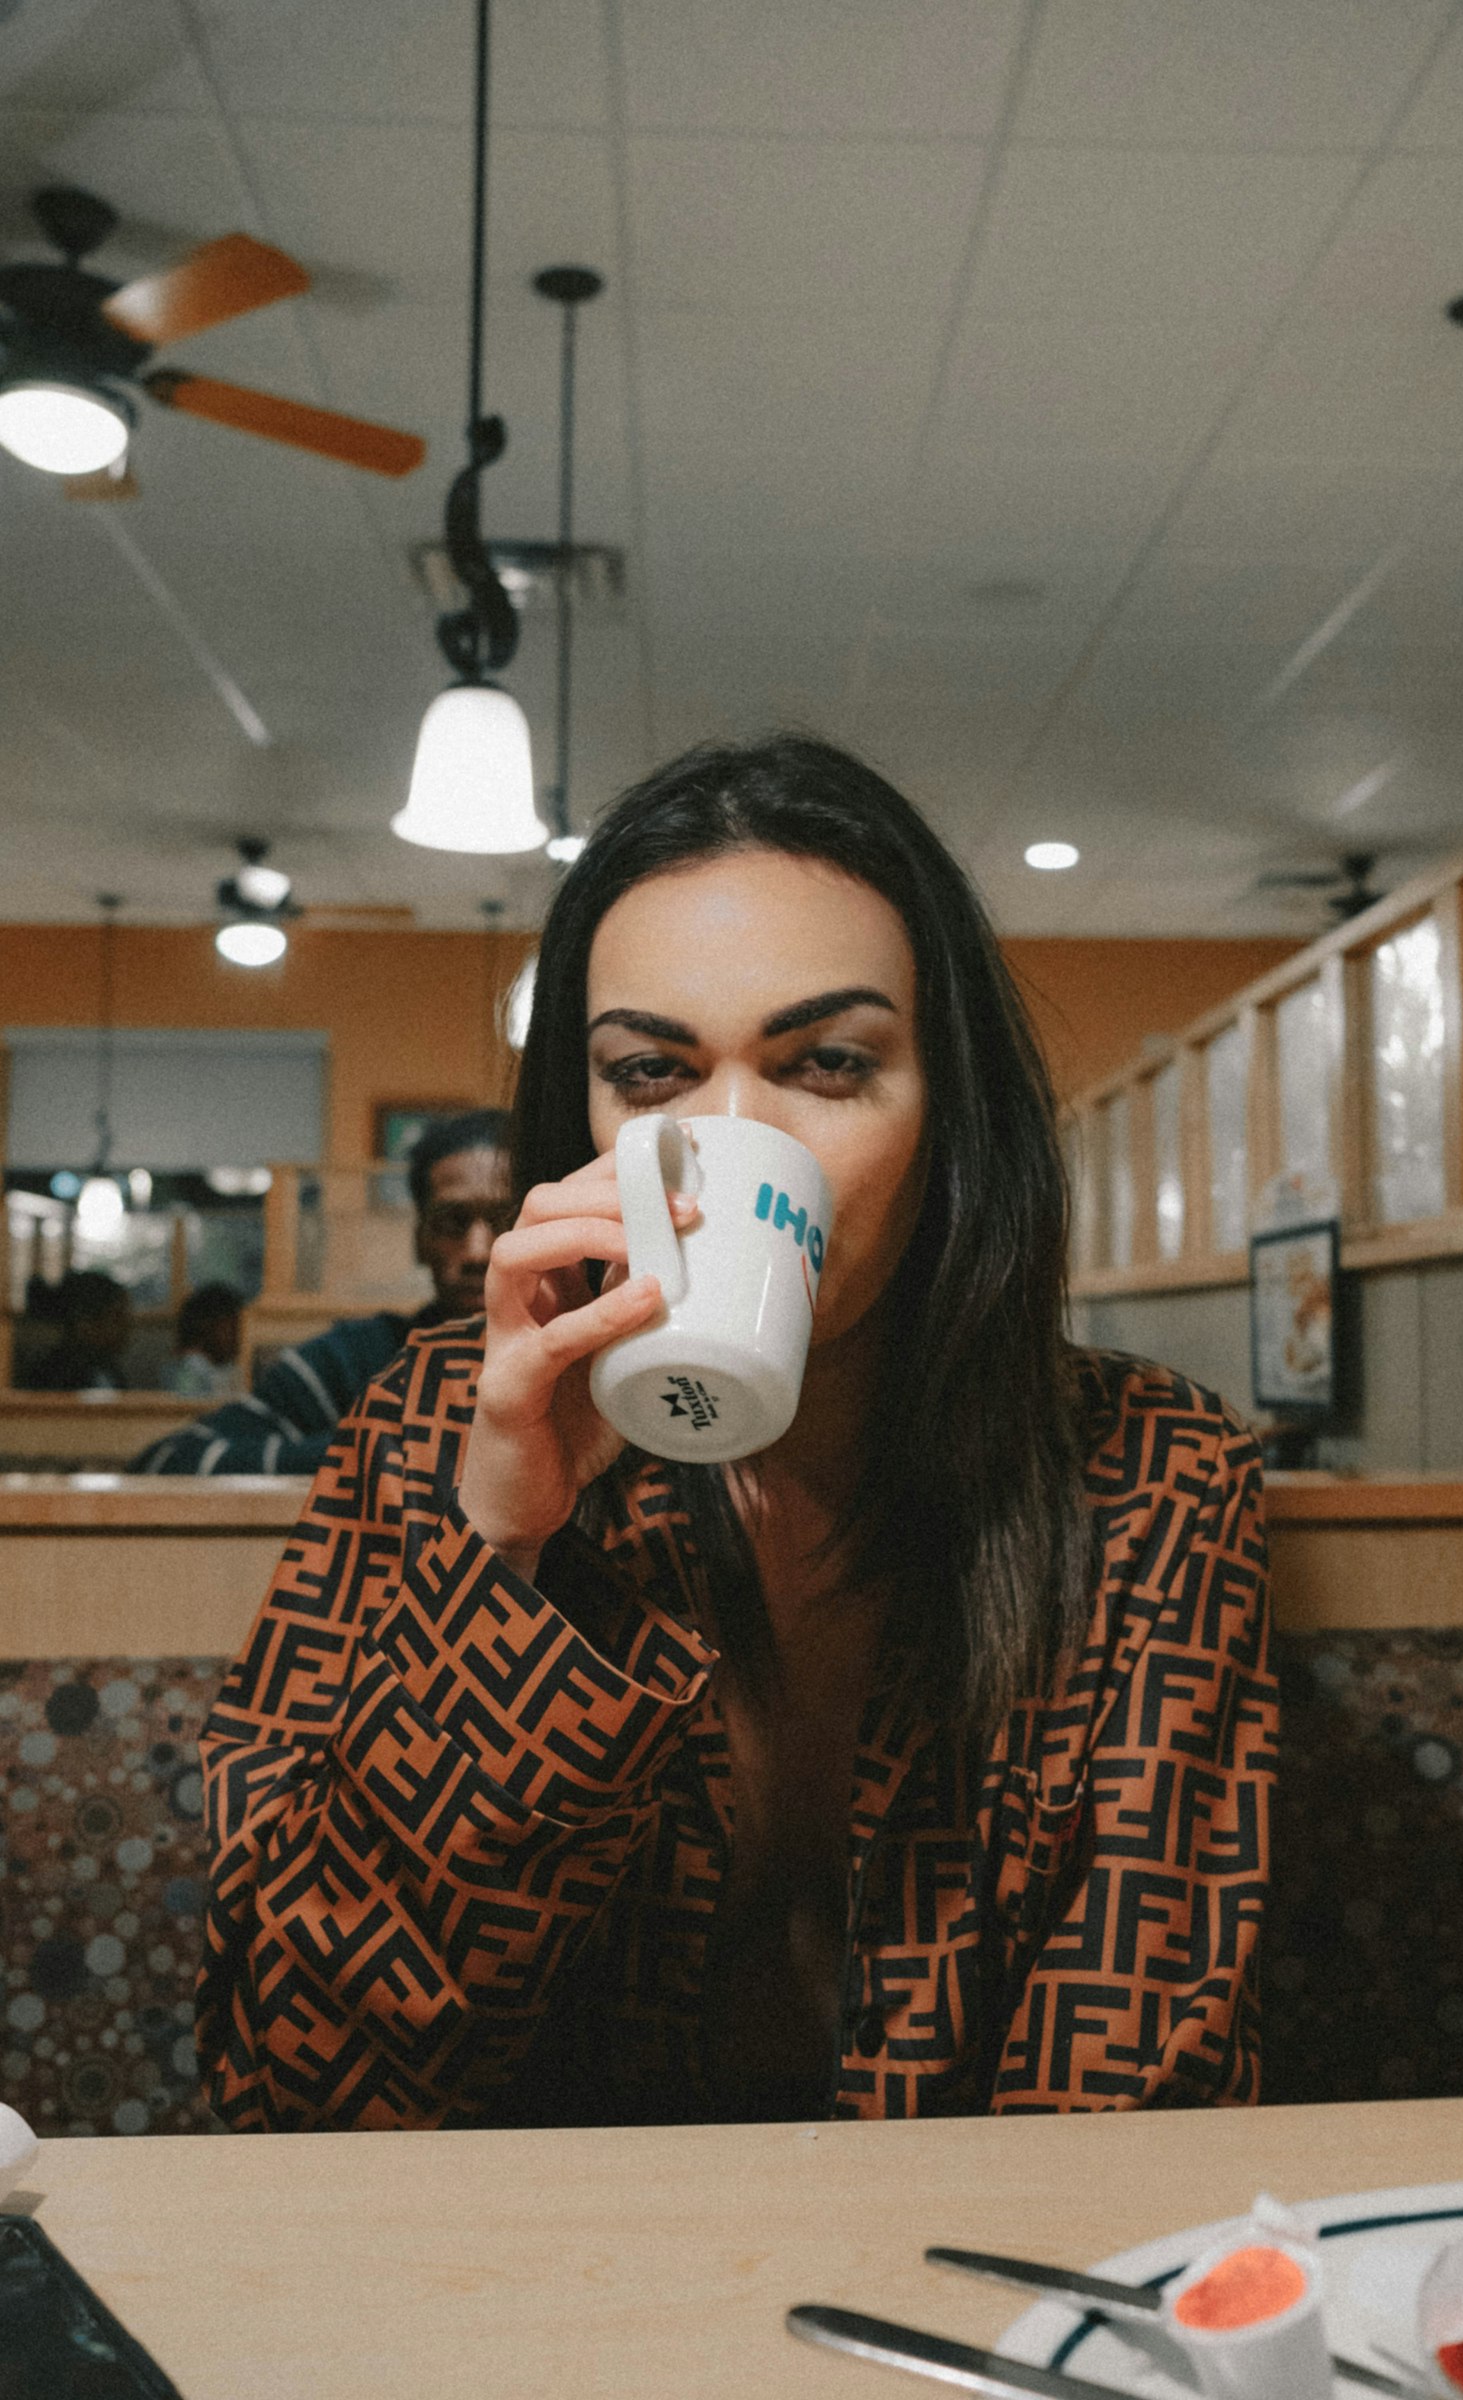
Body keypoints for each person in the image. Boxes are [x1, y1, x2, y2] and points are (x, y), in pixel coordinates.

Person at [200, 737, 1276, 2133]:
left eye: (827, 1062)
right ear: (581, 1118)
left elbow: (1132, 2113)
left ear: (947, 1108)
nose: (725, 1137)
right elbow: (291, 2093)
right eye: (649, 1073)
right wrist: (499, 1563)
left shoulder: (1150, 1476)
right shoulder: (435, 1429)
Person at [133, 1111, 511, 1475]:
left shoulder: (568, 1364)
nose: (478, 1251)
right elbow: (169, 1459)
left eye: (504, 1220)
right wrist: (376, 1451)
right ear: (418, 1239)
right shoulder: (359, 1360)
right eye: (451, 1222)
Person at [29, 1269, 132, 1391]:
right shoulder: (60, 1376)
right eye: (117, 1318)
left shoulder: (106, 1368)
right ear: (85, 1324)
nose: (127, 1326)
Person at [161, 1281, 244, 1398]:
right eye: (232, 1329)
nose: (239, 1338)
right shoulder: (187, 1372)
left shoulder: (222, 1367)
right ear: (206, 1327)